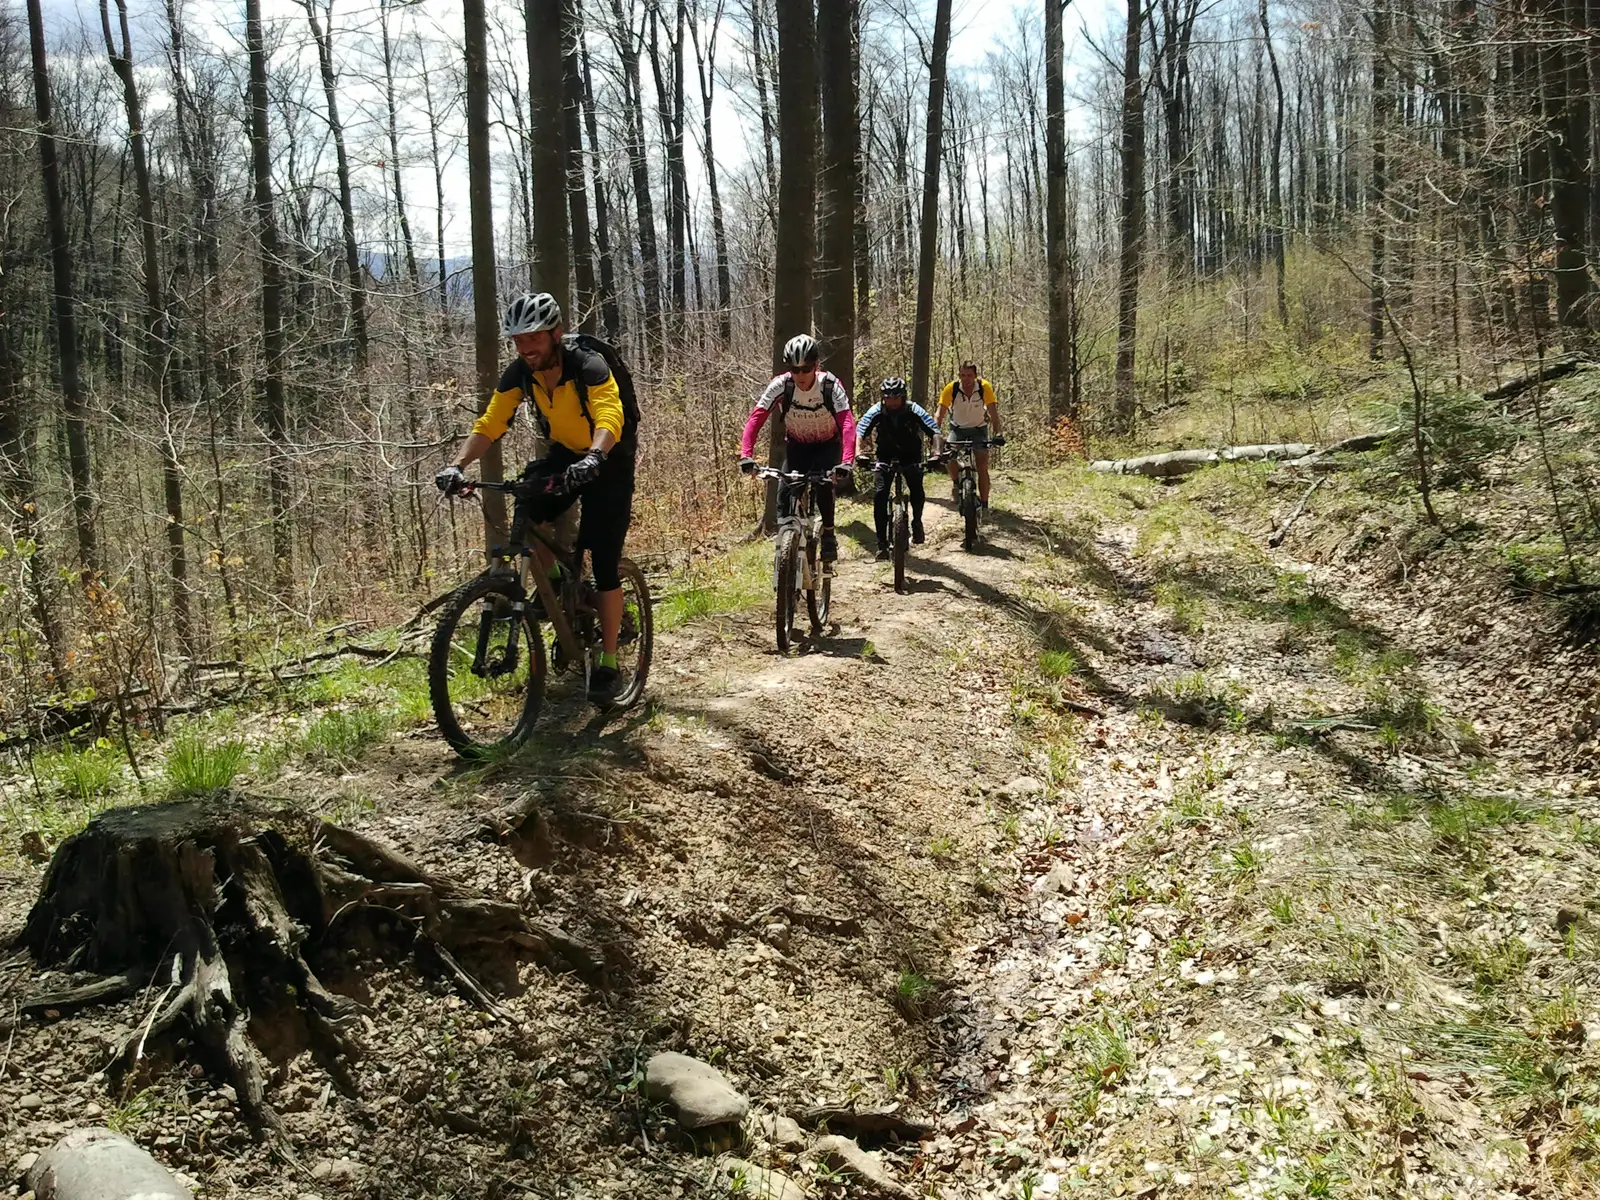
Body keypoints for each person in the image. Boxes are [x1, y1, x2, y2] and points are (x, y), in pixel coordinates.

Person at [434, 292, 636, 706]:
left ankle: (610, 664)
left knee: (603, 561)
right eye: (518, 341)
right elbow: (492, 422)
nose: (526, 349)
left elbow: (610, 414)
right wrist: (458, 465)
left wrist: (596, 456)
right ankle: (560, 590)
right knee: (527, 506)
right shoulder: (519, 373)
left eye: (534, 339)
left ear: (555, 334)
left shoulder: (588, 365)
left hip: (609, 456)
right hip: (564, 452)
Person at [738, 334, 856, 563]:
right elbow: (756, 418)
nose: (801, 375)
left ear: (816, 366)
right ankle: (786, 558)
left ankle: (829, 534)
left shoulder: (830, 385)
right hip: (797, 448)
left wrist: (847, 460)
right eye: (795, 369)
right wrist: (746, 455)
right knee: (783, 495)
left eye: (806, 369)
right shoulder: (782, 385)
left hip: (826, 445)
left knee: (823, 488)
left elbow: (847, 422)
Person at [854, 377, 940, 560]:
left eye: (896, 397)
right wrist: (859, 453)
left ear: (903, 397)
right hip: (885, 456)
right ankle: (881, 544)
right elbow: (861, 430)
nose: (892, 402)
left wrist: (936, 454)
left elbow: (934, 431)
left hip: (911, 455)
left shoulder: (913, 409)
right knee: (880, 494)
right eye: (888, 397)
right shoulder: (877, 410)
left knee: (916, 487)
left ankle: (917, 522)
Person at [937, 361, 1003, 509]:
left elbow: (993, 413)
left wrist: (998, 432)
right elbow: (939, 414)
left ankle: (985, 504)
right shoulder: (952, 389)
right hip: (957, 429)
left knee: (982, 465)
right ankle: (955, 482)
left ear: (975, 376)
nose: (965, 379)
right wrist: (935, 435)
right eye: (962, 375)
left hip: (978, 430)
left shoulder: (984, 388)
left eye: (969, 376)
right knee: (948, 456)